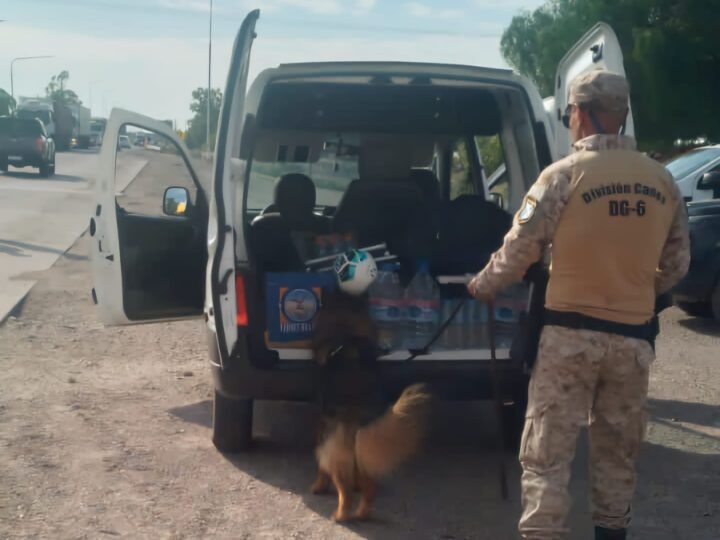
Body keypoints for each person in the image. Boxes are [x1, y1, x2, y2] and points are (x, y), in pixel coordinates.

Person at [467, 69, 690, 540]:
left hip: (568, 338)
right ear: (622, 115)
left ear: (581, 115)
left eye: (570, 113)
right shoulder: (664, 181)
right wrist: (634, 291)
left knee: (548, 453)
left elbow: (520, 249)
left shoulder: (562, 176)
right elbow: (676, 266)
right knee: (616, 452)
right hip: (633, 340)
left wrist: (483, 285)